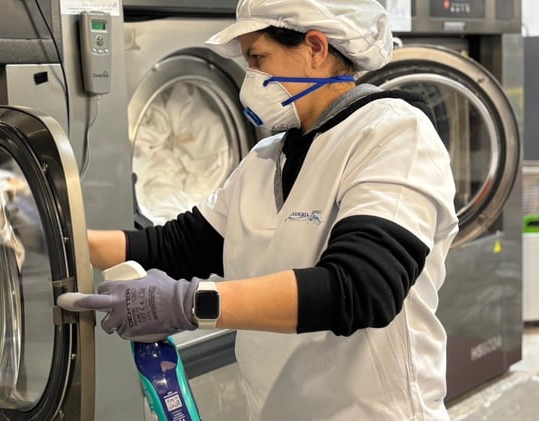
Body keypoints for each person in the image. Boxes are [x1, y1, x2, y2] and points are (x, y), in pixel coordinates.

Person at [59, 0, 458, 419]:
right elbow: (175, 247)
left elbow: (362, 288)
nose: (250, 79)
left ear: (316, 48)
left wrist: (188, 303)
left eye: (258, 58)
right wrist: (57, 240)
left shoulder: (393, 133)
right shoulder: (266, 158)